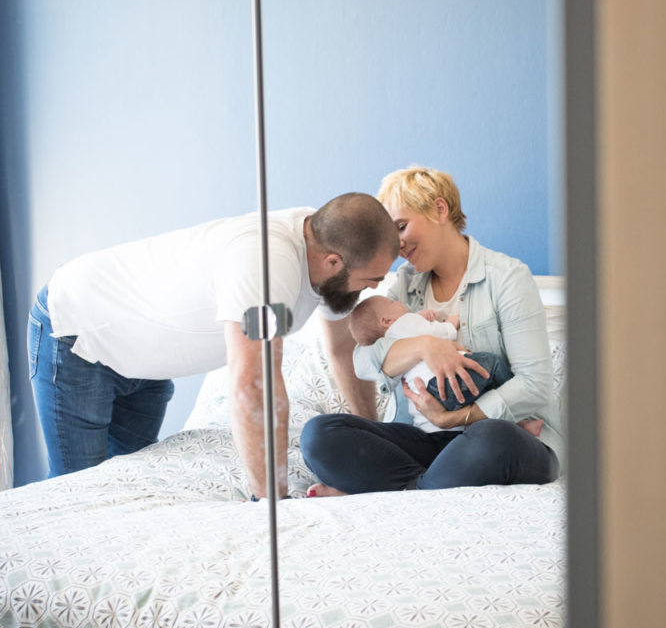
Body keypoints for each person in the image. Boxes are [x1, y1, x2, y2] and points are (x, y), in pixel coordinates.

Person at [28, 194, 399, 497]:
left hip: (148, 363)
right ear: (333, 262)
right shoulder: (268, 269)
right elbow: (254, 386)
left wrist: (370, 433)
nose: (372, 288)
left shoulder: (328, 250)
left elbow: (341, 349)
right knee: (75, 492)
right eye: (372, 279)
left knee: (119, 495)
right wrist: (273, 499)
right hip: (81, 334)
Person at [300, 166, 564, 496]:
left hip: (501, 435)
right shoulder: (405, 285)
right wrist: (424, 345)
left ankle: (385, 491)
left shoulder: (506, 277)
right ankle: (424, 487)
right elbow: (363, 361)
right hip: (426, 441)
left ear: (439, 209)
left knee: (495, 437)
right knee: (320, 434)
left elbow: (535, 385)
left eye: (401, 226)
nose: (396, 244)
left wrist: (453, 419)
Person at [347, 294, 544, 437]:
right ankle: (520, 420)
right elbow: (441, 333)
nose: (398, 301)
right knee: (491, 365)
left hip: (430, 401)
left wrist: (419, 320)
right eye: (392, 303)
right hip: (448, 383)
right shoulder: (405, 317)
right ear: (386, 320)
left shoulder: (392, 340)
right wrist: (451, 322)